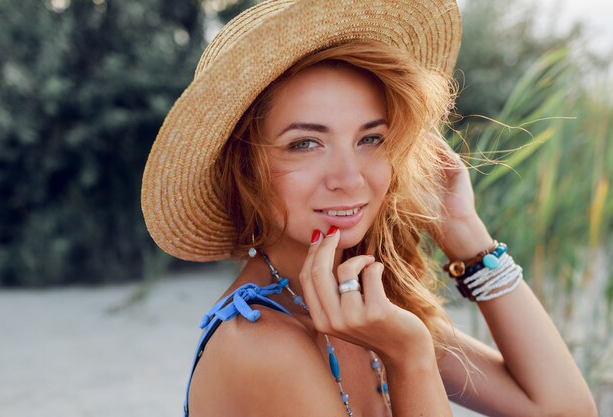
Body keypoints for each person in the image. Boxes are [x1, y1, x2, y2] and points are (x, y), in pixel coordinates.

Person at [141, 0, 597, 416]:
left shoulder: (366, 308)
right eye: (304, 143)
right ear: (245, 167)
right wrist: (410, 357)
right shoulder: (261, 345)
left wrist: (465, 233)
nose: (350, 178)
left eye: (370, 139)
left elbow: (566, 410)